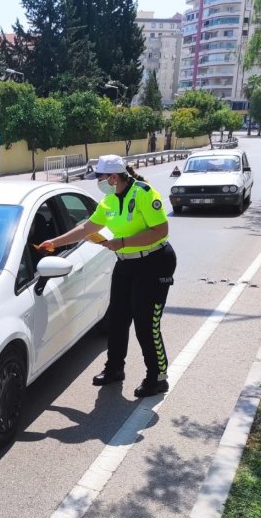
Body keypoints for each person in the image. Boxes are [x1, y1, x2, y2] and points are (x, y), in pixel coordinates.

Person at [39, 154, 177, 398]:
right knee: (117, 319)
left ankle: (157, 377)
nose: (98, 182)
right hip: (125, 263)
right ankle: (114, 368)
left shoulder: (144, 193)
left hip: (155, 263)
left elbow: (161, 231)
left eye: (100, 177)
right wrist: (55, 242)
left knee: (146, 323)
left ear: (114, 177)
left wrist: (121, 241)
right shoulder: (109, 201)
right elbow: (86, 229)